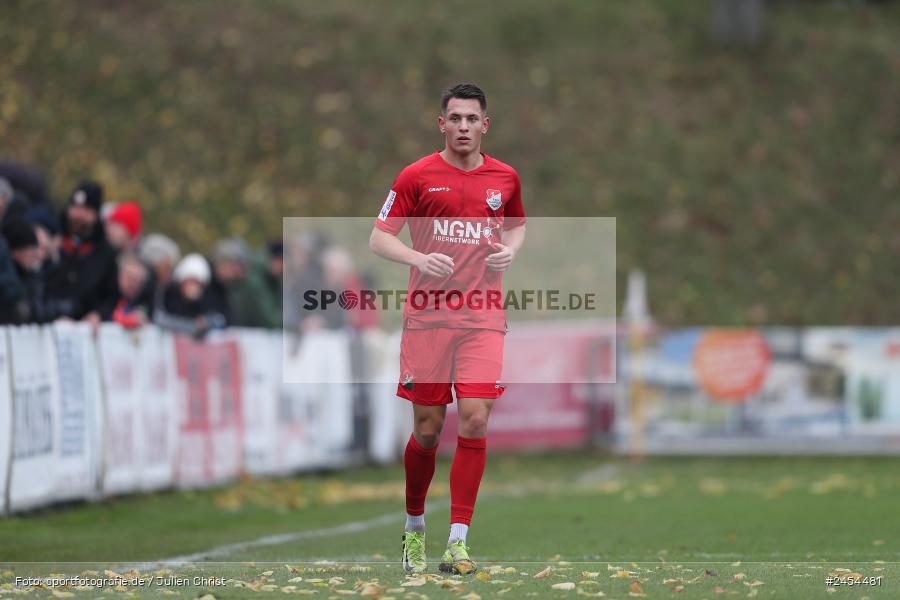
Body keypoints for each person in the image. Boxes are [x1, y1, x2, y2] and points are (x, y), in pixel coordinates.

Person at [368, 83, 526, 575]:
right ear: (442, 124)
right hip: (428, 320)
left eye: (471, 119)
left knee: (476, 419)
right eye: (454, 118)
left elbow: (517, 225)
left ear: (485, 124)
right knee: (428, 430)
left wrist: (511, 250)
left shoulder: (505, 177)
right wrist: (418, 257)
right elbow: (378, 238)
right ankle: (414, 528)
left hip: (482, 316)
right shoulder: (416, 176)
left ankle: (458, 540)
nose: (463, 127)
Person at [44, 180, 118, 324]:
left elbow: (112, 296)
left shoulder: (105, 252)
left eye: (85, 210)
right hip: (51, 324)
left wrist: (98, 315)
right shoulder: (52, 240)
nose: (78, 215)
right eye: (75, 207)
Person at [153, 253, 227, 339]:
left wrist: (207, 323)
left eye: (198, 284)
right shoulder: (167, 296)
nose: (194, 288)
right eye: (191, 282)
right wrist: (194, 326)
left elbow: (219, 320)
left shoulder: (204, 304)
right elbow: (160, 319)